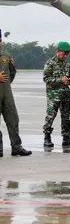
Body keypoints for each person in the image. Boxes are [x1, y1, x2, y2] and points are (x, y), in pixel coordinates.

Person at [0, 29, 32, 157]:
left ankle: (16, 147)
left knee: (13, 119)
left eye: (0, 40)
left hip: (6, 93)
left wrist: (5, 84)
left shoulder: (6, 56)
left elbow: (12, 72)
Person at [42, 41, 70, 148]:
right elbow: (46, 78)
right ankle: (47, 137)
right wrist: (60, 80)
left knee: (66, 117)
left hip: (65, 95)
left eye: (67, 53)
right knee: (50, 116)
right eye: (64, 53)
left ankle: (66, 138)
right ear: (58, 51)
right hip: (54, 95)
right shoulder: (50, 63)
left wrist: (69, 80)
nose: (66, 55)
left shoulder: (67, 64)